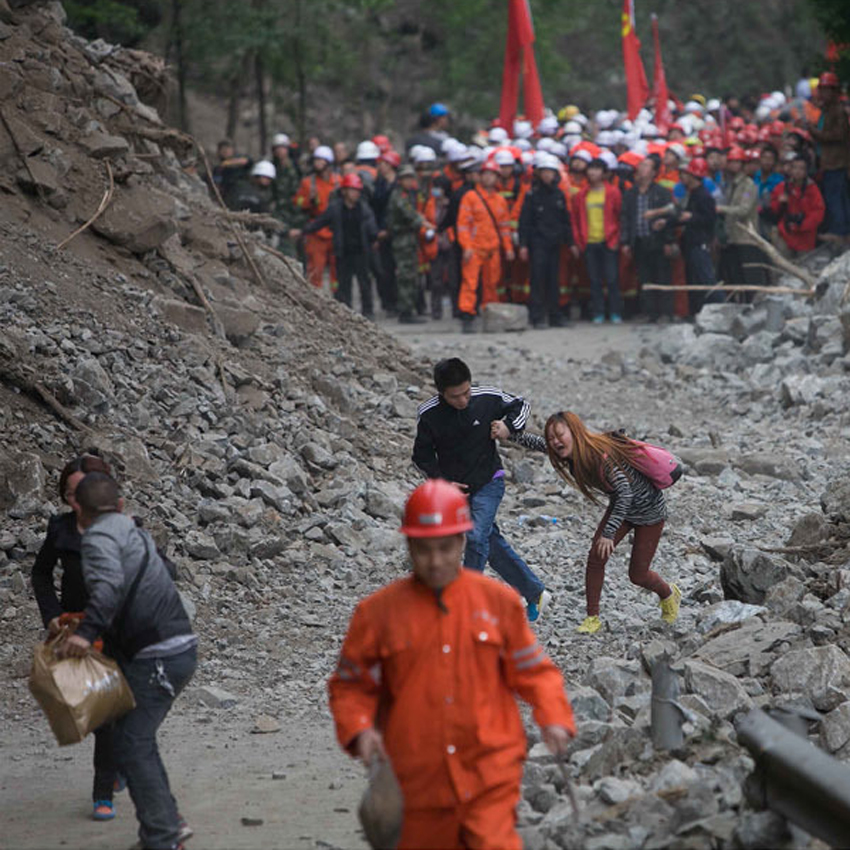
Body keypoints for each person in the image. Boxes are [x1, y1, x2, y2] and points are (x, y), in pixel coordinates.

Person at [328, 479, 575, 850]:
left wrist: (553, 716)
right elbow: (350, 686)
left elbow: (534, 672)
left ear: (462, 542)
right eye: (424, 549)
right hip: (416, 783)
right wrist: (360, 731)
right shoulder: (376, 615)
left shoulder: (499, 604)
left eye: (445, 547)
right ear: (409, 546)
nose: (436, 560)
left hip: (490, 776)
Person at [56, 472, 196, 850]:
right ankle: (163, 828)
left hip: (158, 656)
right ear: (119, 505)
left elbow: (108, 587)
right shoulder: (134, 531)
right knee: (135, 740)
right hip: (174, 647)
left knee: (132, 743)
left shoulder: (99, 538)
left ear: (78, 510)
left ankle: (164, 836)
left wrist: (85, 635)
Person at [412, 358, 550, 620]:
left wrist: (508, 426)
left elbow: (522, 405)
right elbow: (422, 457)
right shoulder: (428, 414)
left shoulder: (486, 397)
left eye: (466, 392)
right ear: (442, 393)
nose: (463, 400)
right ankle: (535, 593)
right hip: (455, 492)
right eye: (455, 397)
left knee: (476, 538)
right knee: (489, 542)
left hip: (490, 481)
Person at [518, 413, 680, 634]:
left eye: (559, 435)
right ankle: (592, 618)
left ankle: (669, 594)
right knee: (596, 557)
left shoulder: (597, 456)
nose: (555, 441)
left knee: (638, 575)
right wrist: (510, 434)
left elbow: (625, 492)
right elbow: (542, 445)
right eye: (551, 437)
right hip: (622, 509)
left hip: (649, 513)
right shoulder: (573, 453)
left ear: (575, 433)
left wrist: (609, 533)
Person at [31, 454, 120, 822]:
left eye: (81, 491)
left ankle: (104, 792)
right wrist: (52, 617)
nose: (74, 499)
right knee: (94, 709)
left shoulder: (124, 529)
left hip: (117, 629)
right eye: (69, 493)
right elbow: (41, 576)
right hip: (74, 629)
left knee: (112, 713)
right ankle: (117, 766)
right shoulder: (61, 530)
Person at [301, 172, 379, 317]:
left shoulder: (363, 208)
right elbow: (320, 221)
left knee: (365, 283)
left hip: (361, 252)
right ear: (344, 191)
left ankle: (368, 312)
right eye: (352, 190)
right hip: (343, 252)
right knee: (343, 285)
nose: (355, 193)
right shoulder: (335, 208)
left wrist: (374, 237)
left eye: (357, 190)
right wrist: (304, 230)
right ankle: (345, 313)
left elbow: (371, 227)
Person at [456, 160, 514, 333]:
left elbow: (504, 227)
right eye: (485, 174)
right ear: (480, 176)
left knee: (492, 284)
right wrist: (466, 246)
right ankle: (467, 315)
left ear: (496, 178)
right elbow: (463, 225)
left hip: (493, 248)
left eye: (492, 174)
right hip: (474, 248)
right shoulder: (470, 197)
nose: (488, 177)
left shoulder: (500, 200)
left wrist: (508, 248)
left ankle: (489, 315)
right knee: (470, 283)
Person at [518, 151, 573, 329]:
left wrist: (570, 242)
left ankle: (555, 316)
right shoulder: (532, 196)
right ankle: (537, 317)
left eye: (551, 172)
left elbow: (565, 220)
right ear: (538, 174)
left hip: (555, 243)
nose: (548, 175)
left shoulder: (559, 195)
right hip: (538, 243)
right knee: (537, 280)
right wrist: (524, 244)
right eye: (544, 172)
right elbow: (524, 222)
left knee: (554, 280)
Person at [619, 155, 675, 322]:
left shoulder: (662, 192)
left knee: (662, 277)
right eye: (641, 165)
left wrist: (668, 240)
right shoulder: (631, 194)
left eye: (646, 166)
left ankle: (666, 313)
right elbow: (625, 219)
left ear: (653, 172)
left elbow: (672, 216)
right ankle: (650, 313)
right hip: (639, 241)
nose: (641, 168)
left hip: (657, 241)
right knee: (644, 277)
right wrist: (626, 242)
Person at [572, 157, 623, 323]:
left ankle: (615, 312)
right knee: (594, 280)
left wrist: (617, 238)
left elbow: (620, 217)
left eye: (597, 169)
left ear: (604, 173)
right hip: (589, 242)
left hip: (609, 241)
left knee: (612, 278)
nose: (592, 172)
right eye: (590, 169)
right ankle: (598, 312)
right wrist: (579, 241)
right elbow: (576, 219)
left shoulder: (613, 192)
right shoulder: (581, 195)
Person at [716, 146, 765, 297]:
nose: (731, 166)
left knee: (750, 278)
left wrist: (721, 209)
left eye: (735, 162)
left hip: (746, 238)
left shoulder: (748, 185)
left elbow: (743, 209)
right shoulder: (732, 185)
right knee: (736, 278)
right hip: (733, 238)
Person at [387, 164, 432, 324]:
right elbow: (410, 214)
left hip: (409, 239)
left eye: (410, 178)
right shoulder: (399, 196)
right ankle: (405, 311)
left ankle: (410, 309)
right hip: (402, 240)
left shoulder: (409, 194)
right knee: (406, 276)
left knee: (412, 275)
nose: (409, 181)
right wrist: (424, 223)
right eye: (406, 178)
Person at [809, 72, 850, 241]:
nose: (823, 94)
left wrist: (813, 132)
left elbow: (837, 135)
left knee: (835, 197)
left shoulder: (837, 111)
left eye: (827, 90)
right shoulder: (827, 110)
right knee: (837, 196)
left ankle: (839, 231)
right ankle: (842, 230)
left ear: (834, 91)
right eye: (822, 90)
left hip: (836, 162)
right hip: (829, 161)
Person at [676, 157, 720, 315]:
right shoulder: (692, 194)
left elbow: (710, 219)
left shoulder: (704, 196)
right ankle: (698, 313)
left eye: (685, 174)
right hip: (690, 243)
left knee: (706, 279)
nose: (681, 177)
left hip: (700, 243)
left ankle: (720, 311)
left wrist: (691, 217)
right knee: (694, 281)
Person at [293, 145, 340, 289]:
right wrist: (308, 201)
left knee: (337, 270)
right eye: (316, 160)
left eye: (321, 160)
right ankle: (315, 297)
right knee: (315, 269)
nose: (317, 163)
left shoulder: (338, 181)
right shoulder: (308, 183)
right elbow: (297, 202)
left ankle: (339, 298)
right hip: (316, 230)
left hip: (335, 230)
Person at [769, 154, 825, 257]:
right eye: (794, 168)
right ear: (790, 170)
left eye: (801, 168)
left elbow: (818, 212)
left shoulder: (812, 189)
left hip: (805, 236)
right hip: (785, 233)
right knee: (781, 264)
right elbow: (773, 208)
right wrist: (780, 203)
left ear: (806, 171)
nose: (797, 171)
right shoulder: (782, 187)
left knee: (803, 266)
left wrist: (802, 225)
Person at [372, 149, 401, 315]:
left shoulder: (399, 184)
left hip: (396, 232)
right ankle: (389, 303)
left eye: (383, 164)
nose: (380, 167)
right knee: (385, 270)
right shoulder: (380, 184)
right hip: (383, 232)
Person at [210, 139, 251, 209]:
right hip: (226, 195)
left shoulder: (239, 164)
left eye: (228, 149)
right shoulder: (217, 169)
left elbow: (247, 161)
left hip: (241, 193)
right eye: (223, 149)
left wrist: (228, 163)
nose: (225, 151)